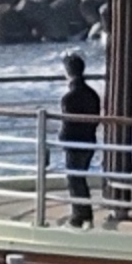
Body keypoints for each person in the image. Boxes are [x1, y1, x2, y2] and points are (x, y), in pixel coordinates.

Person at [56, 51, 102, 227]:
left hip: (74, 143)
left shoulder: (68, 98)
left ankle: (79, 215)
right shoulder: (92, 94)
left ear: (67, 72)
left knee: (74, 179)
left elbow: (67, 124)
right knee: (79, 178)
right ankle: (84, 213)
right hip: (89, 140)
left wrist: (61, 138)